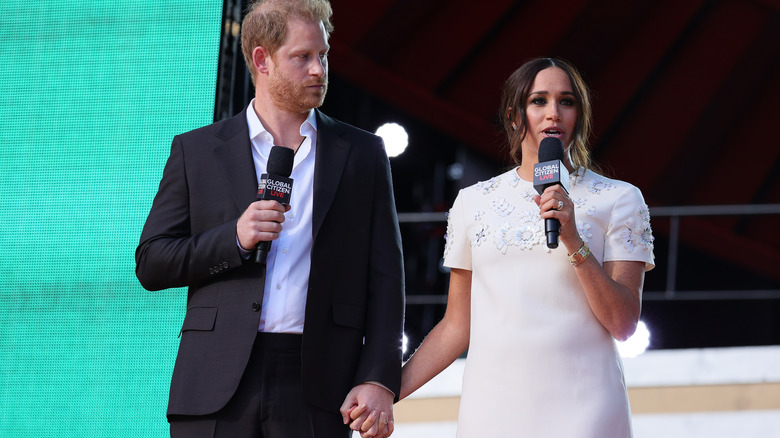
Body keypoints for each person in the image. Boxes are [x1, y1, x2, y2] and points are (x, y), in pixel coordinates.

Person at [135, 1, 404, 437]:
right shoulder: (197, 151)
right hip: (215, 382)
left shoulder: (361, 153)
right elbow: (151, 261)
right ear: (262, 59)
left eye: (324, 54)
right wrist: (235, 239)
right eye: (303, 57)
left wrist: (378, 378)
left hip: (320, 383)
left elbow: (387, 278)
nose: (319, 69)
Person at [395, 57, 655, 437]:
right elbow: (456, 325)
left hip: (586, 406)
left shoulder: (619, 199)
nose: (554, 113)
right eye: (539, 101)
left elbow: (623, 323)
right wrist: (386, 391)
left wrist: (573, 240)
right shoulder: (474, 202)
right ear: (515, 116)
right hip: (494, 408)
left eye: (566, 101)